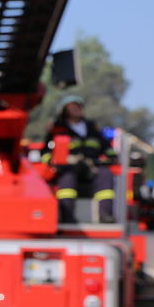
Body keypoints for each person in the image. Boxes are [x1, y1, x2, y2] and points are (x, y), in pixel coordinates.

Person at [41, 94, 117, 223]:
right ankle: (67, 215)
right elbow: (45, 152)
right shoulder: (57, 129)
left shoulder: (92, 127)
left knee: (105, 174)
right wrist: (53, 162)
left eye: (78, 107)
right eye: (72, 107)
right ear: (64, 110)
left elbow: (106, 147)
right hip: (68, 167)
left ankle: (105, 215)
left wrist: (111, 157)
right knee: (67, 178)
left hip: (92, 167)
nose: (76, 110)